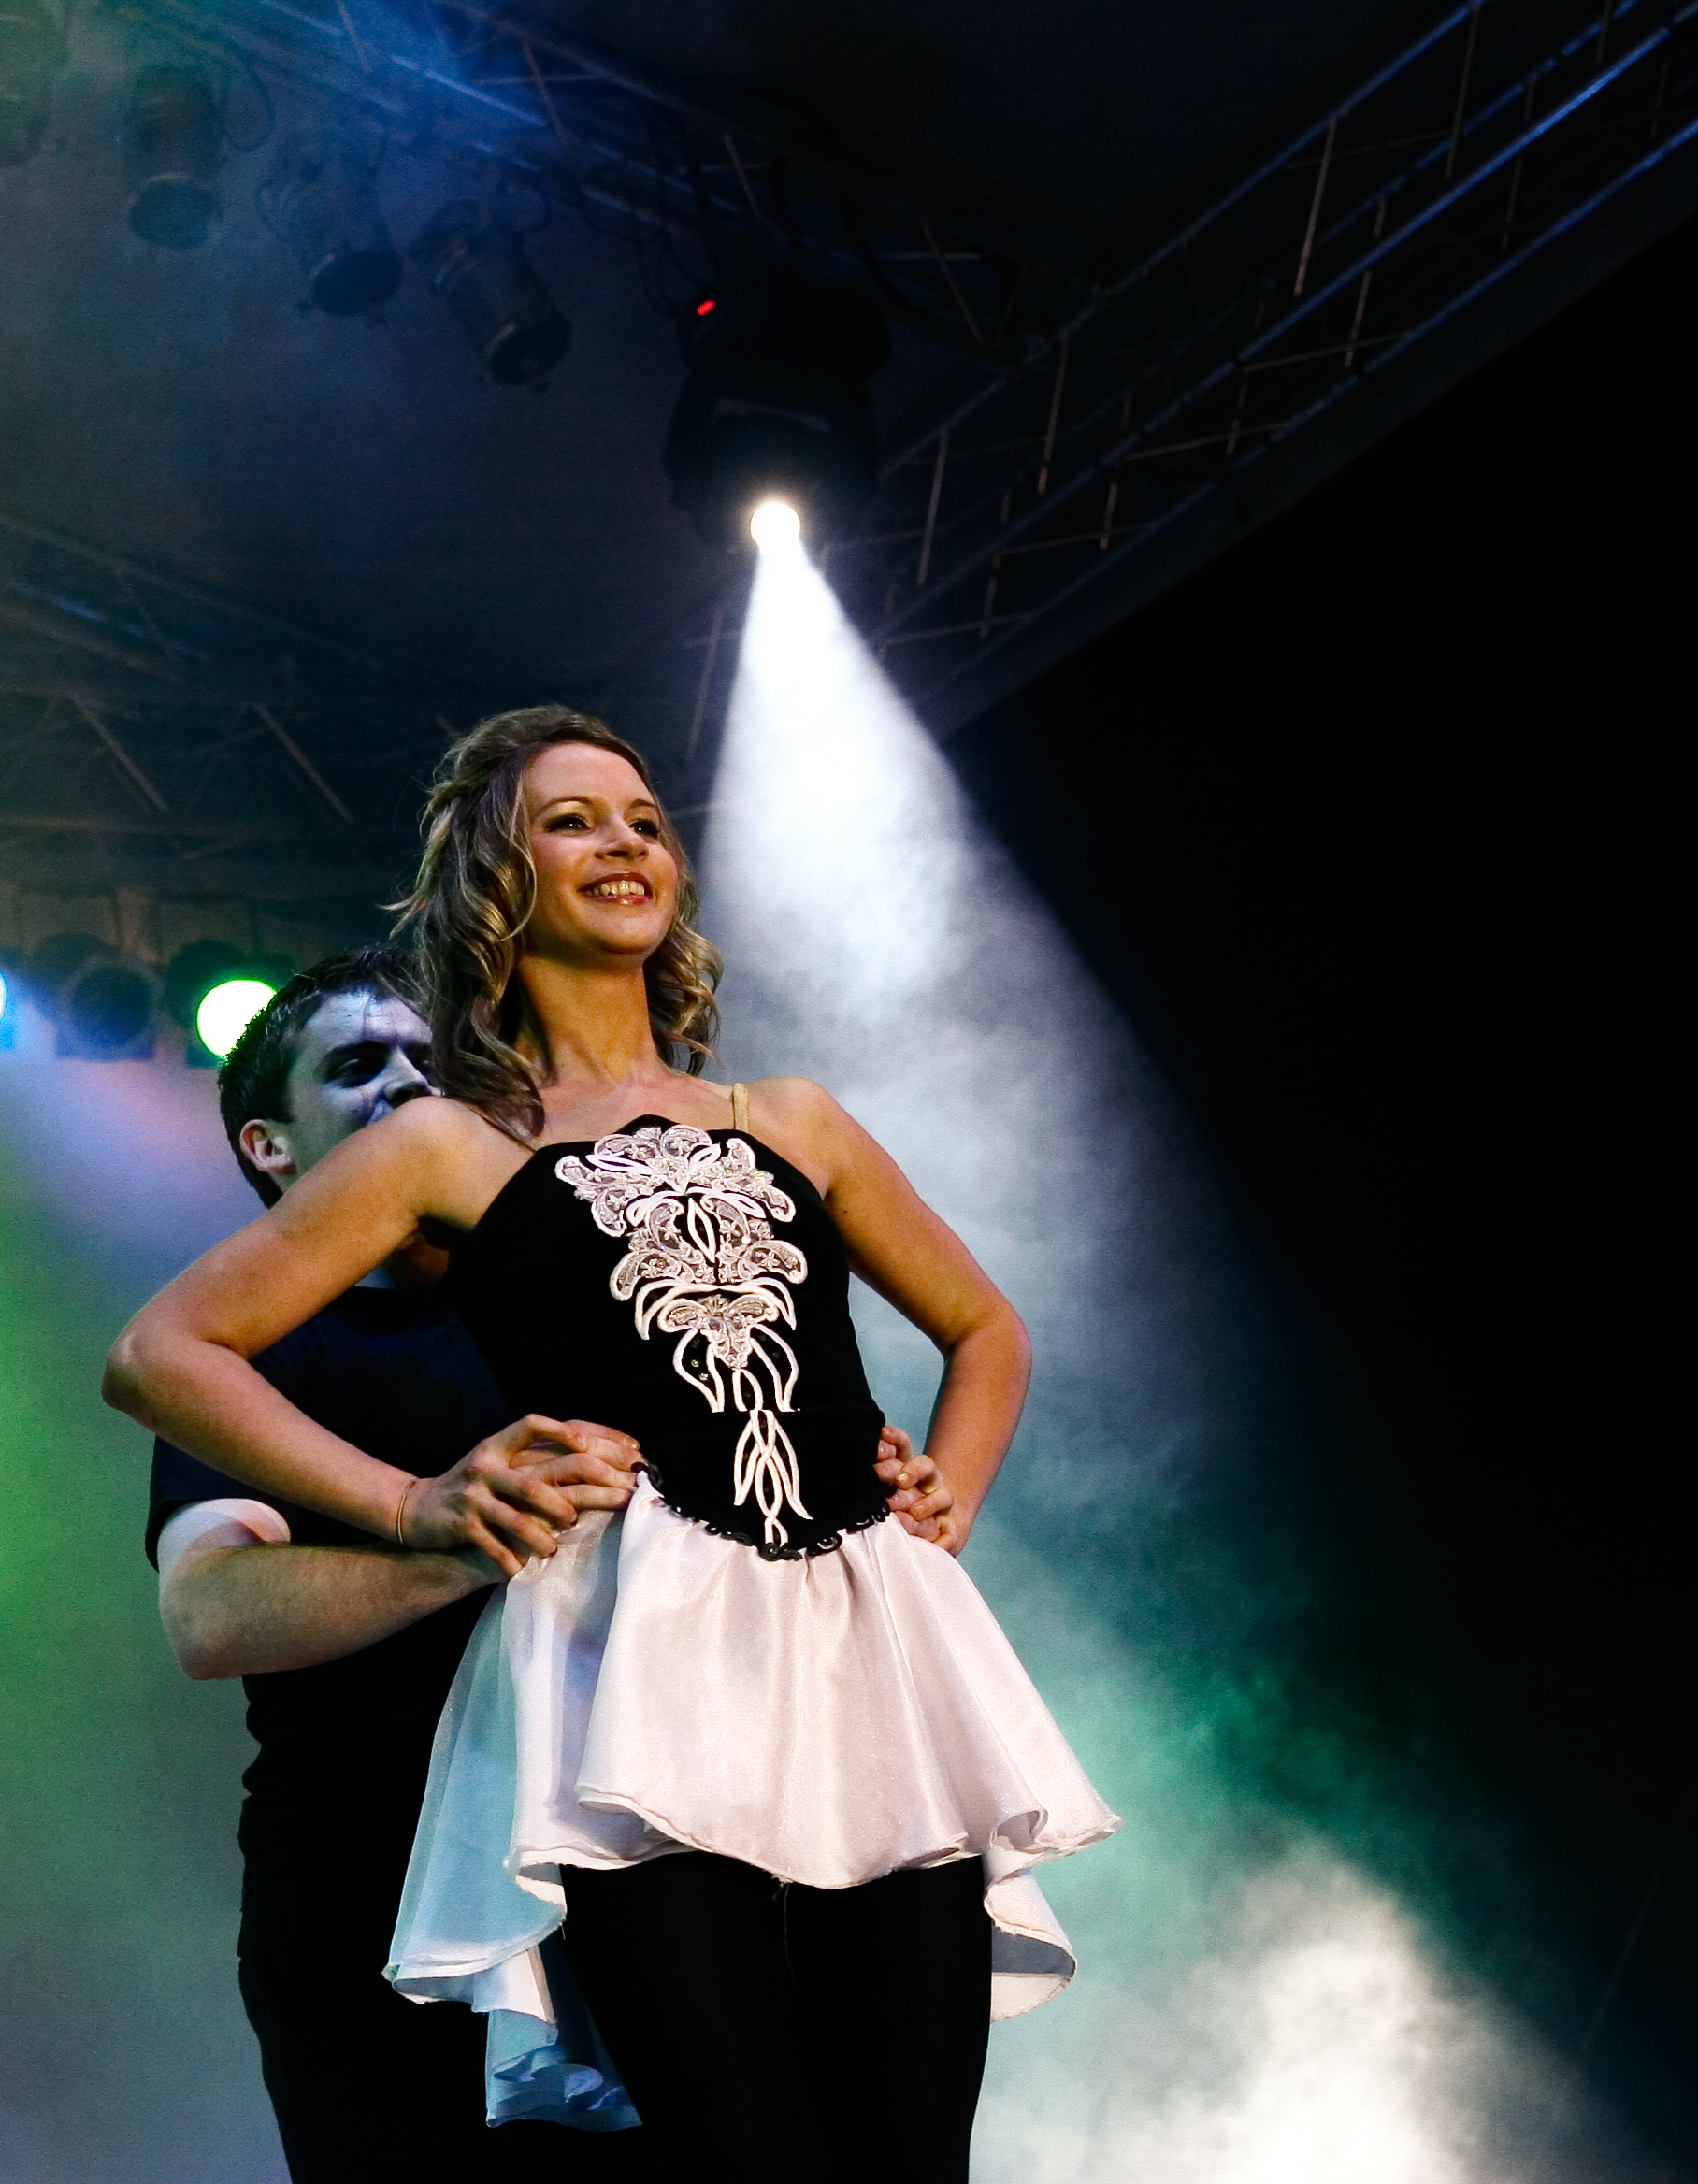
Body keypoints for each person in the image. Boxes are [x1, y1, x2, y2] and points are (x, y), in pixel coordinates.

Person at [109, 711, 1116, 2184]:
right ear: (496, 879)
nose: (625, 841)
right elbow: (160, 1353)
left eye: (644, 817)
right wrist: (414, 1504)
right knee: (741, 2152)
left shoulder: (789, 1117)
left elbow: (988, 1328)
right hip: (641, 1670)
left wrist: (947, 1485)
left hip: (868, 1647)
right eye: (575, 819)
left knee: (908, 2155)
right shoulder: (443, 1147)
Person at [151, 943, 957, 2182]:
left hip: (640, 1870)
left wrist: (874, 1476)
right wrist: (457, 1536)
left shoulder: (581, 1305)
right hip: (368, 1894)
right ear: (272, 1145)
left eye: (435, 1058)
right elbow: (210, 1616)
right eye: (359, 1065)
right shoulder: (274, 1363)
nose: (411, 1087)